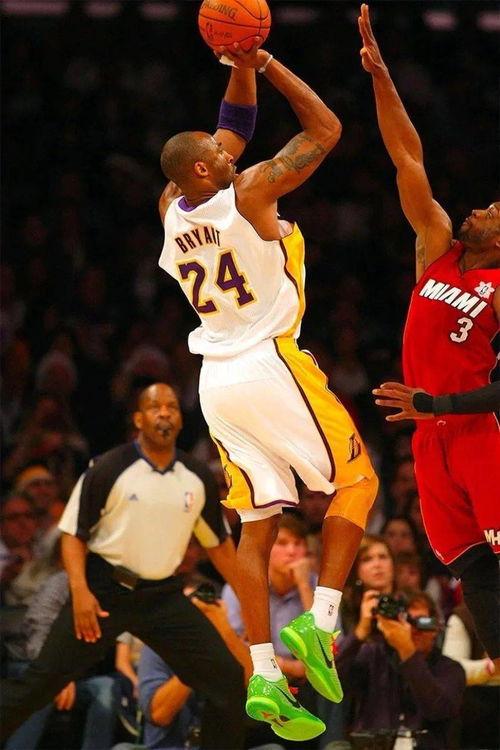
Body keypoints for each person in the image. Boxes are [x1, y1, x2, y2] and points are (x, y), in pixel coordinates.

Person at [158, 39, 378, 741]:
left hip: (216, 381)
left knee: (257, 527)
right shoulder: (250, 191)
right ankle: (322, 621)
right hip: (270, 361)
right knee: (359, 482)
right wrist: (271, 61)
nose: (231, 153)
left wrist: (240, 65)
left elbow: (233, 127)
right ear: (204, 168)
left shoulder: (171, 205)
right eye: (218, 155)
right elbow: (326, 130)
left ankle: (261, 673)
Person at [358, 3, 500, 670]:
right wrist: (381, 77)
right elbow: (406, 156)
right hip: (428, 438)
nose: (479, 208)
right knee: (473, 571)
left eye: (493, 211)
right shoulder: (437, 248)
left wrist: (434, 404)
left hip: (478, 433)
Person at [0, 382, 246, 750]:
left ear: (181, 420)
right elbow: (73, 535)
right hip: (103, 591)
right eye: (155, 407)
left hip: (162, 595)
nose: (164, 413)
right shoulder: (109, 467)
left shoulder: (196, 476)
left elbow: (220, 547)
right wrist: (80, 592)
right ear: (138, 419)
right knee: (38, 684)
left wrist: (251, 596)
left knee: (227, 680)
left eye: (172, 407)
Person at [336, 590, 465, 749]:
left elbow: (436, 709)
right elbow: (331, 677)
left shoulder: (451, 669)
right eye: (405, 620)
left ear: (435, 628)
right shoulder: (373, 656)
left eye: (421, 621)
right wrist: (361, 630)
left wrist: (407, 650)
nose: (412, 629)